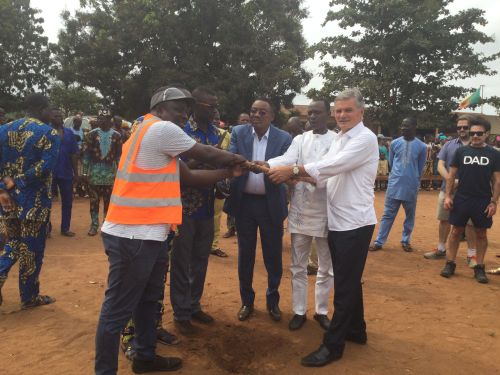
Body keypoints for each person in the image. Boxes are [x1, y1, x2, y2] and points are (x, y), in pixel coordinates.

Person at [95, 86, 247, 374]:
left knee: (149, 301)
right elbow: (206, 153)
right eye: (178, 108)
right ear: (160, 108)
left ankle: (145, 357)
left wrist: (230, 173)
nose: (184, 115)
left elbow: (188, 176)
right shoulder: (161, 129)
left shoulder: (148, 134)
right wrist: (237, 160)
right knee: (116, 312)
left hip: (150, 234)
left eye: (186, 110)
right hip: (133, 235)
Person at [267, 88, 378, 367]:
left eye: (348, 110)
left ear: (361, 112)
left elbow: (329, 166)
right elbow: (320, 172)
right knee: (349, 279)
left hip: (354, 223)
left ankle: (333, 346)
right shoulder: (341, 137)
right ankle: (357, 330)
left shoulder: (364, 138)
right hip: (338, 220)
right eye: (339, 111)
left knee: (344, 284)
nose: (342, 115)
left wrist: (292, 172)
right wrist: (266, 166)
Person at [262, 100, 335, 331]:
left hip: (326, 211)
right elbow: (286, 160)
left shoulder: (337, 141)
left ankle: (321, 311)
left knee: (326, 267)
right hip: (300, 211)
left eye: (317, 113)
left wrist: (295, 176)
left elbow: (328, 173)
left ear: (328, 115)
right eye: (310, 113)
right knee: (297, 266)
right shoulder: (299, 140)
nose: (312, 117)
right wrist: (266, 164)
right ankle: (299, 311)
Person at [224, 98, 292, 322]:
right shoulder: (239, 132)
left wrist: (261, 165)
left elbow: (284, 168)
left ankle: (273, 302)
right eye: (253, 111)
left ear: (272, 116)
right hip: (245, 204)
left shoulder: (284, 138)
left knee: (273, 256)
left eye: (262, 112)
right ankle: (247, 302)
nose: (256, 116)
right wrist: (249, 164)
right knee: (246, 255)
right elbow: (233, 160)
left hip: (270, 205)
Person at [170, 87, 223, 335]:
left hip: (207, 205)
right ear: (197, 106)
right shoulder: (180, 131)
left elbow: (218, 164)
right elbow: (178, 169)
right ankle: (180, 313)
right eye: (209, 106)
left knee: (200, 260)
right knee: (181, 262)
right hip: (183, 207)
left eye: (215, 106)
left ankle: (193, 305)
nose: (214, 111)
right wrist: (203, 160)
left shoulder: (216, 134)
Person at [0, 93, 60, 309]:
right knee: (32, 250)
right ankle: (29, 297)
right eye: (50, 109)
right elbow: (46, 167)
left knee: (12, 244)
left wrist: (3, 186)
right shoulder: (49, 133)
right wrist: (18, 181)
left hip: (7, 201)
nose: (51, 113)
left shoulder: (3, 130)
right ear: (42, 108)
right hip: (35, 201)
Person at [440, 117, 500, 283]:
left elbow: (497, 180)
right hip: (462, 199)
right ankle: (450, 263)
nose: (475, 136)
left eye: (479, 133)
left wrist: (494, 202)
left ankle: (479, 267)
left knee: (481, 234)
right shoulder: (461, 152)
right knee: (455, 232)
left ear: (486, 134)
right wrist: (448, 196)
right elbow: (451, 176)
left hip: (482, 200)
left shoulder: (494, 154)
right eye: (472, 133)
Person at [424, 116, 477, 266]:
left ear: (470, 128)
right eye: (459, 127)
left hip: (469, 192)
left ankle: (471, 256)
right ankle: (441, 249)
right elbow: (440, 164)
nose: (461, 130)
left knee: (470, 223)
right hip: (447, 190)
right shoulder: (449, 145)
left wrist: (460, 182)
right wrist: (450, 180)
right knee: (444, 220)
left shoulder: (478, 146)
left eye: (465, 127)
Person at [369, 117, 427, 252]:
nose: (403, 128)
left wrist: (413, 179)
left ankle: (406, 240)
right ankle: (379, 241)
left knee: (410, 215)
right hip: (394, 185)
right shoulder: (394, 143)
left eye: (406, 126)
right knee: (388, 214)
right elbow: (391, 162)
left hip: (411, 186)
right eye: (402, 126)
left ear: (414, 127)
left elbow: (420, 167)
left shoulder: (422, 146)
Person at [82, 111, 122, 236]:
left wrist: (120, 173)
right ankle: (94, 225)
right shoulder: (91, 135)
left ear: (110, 120)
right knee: (94, 201)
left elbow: (118, 156)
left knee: (108, 201)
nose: (101, 121)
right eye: (99, 118)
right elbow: (87, 155)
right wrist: (84, 173)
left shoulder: (117, 136)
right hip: (94, 174)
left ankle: (106, 225)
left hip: (110, 174)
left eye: (104, 119)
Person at [50, 108, 80, 236]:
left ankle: (65, 228)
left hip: (66, 171)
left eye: (60, 116)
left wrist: (76, 173)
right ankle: (46, 228)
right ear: (51, 118)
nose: (58, 118)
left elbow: (74, 154)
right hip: (49, 172)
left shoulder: (69, 133)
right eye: (55, 116)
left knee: (67, 201)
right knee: (46, 202)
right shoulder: (45, 132)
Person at [211, 109, 231, 258]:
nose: (216, 121)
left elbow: (231, 156)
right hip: (197, 180)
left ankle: (213, 245)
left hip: (219, 182)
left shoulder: (226, 136)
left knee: (217, 215)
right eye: (214, 118)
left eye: (218, 119)